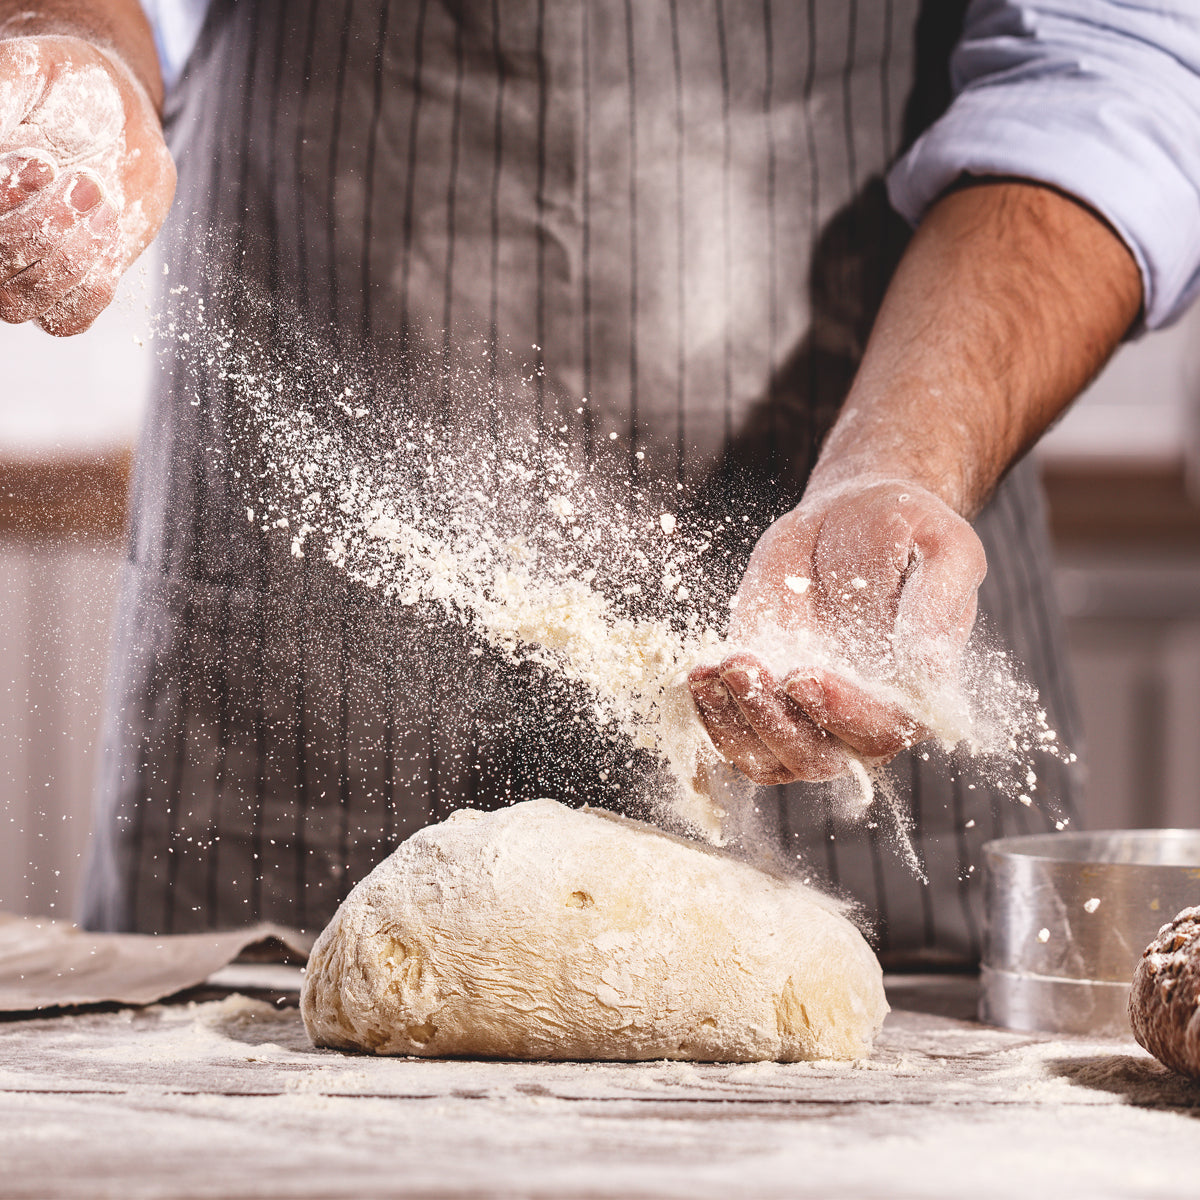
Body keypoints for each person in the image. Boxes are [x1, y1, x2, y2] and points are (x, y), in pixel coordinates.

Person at [1, 0, 1194, 965]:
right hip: (299, 667)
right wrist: (73, 50)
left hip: (865, 515)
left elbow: (1118, 59)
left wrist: (905, 454)